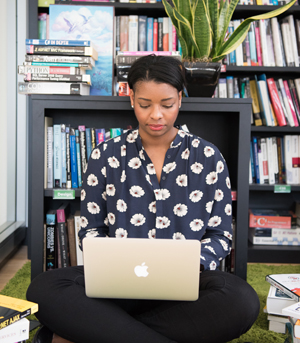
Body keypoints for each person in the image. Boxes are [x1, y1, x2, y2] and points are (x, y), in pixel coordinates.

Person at [27, 55, 260, 343]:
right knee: (45, 288)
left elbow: (221, 234)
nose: (156, 115)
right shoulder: (105, 155)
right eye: (145, 104)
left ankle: (91, 332)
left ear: (180, 100)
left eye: (167, 104)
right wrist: (114, 263)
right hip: (118, 287)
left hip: (185, 287)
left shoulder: (209, 157)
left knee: (241, 301)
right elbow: (90, 230)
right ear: (131, 99)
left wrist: (186, 265)